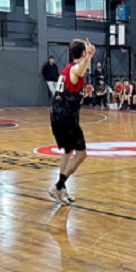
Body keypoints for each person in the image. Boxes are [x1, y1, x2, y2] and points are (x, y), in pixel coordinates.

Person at [48, 39, 95, 205]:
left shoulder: (68, 70)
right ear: (82, 53)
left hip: (57, 115)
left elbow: (70, 94)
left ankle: (62, 190)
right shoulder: (76, 69)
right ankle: (58, 186)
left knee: (68, 151)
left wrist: (84, 94)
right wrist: (89, 57)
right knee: (81, 154)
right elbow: (80, 69)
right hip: (66, 118)